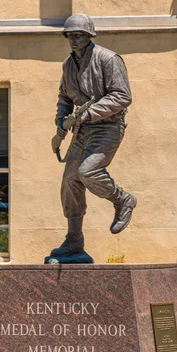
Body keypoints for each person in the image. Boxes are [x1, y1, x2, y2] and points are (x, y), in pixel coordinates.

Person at [51, 13, 137, 258]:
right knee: (70, 180)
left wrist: (88, 115)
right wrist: (60, 123)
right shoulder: (68, 65)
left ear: (89, 36)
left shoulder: (108, 59)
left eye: (77, 35)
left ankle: (123, 200)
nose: (73, 39)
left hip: (108, 127)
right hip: (81, 130)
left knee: (87, 171)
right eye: (69, 35)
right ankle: (74, 240)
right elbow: (64, 98)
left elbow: (122, 96)